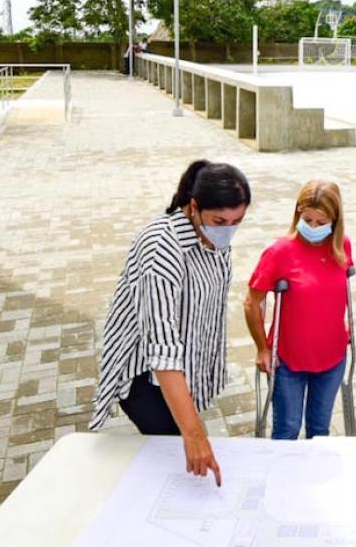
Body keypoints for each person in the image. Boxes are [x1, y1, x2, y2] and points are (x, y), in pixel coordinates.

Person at [90, 160, 251, 486]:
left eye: (237, 222)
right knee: (179, 463)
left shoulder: (213, 237)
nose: (227, 230)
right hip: (145, 379)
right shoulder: (162, 248)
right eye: (220, 221)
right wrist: (194, 434)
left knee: (179, 462)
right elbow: (161, 352)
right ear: (194, 207)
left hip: (184, 368)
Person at [244, 180, 354, 439]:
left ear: (335, 221)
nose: (313, 228)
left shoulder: (342, 247)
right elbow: (252, 302)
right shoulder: (279, 252)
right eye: (308, 220)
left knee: (319, 429)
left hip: (332, 356)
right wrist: (262, 348)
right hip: (288, 361)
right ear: (297, 215)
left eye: (321, 222)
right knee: (287, 429)